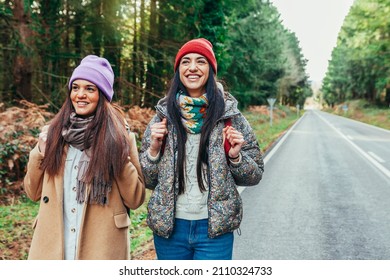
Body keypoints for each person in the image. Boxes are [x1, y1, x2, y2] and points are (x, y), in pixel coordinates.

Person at [140, 38, 264, 260]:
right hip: (170, 231)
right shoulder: (162, 116)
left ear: (211, 70)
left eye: (201, 61)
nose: (193, 67)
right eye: (186, 62)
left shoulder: (230, 116)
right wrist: (153, 151)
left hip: (214, 232)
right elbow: (147, 180)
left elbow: (255, 175)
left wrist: (236, 158)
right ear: (179, 71)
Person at [23, 55, 145, 260]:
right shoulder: (53, 134)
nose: (80, 95)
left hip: (101, 249)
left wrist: (118, 154)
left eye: (90, 88)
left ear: (103, 95)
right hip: (53, 248)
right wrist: (40, 153)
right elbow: (32, 193)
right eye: (75, 87)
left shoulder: (122, 138)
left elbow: (135, 199)